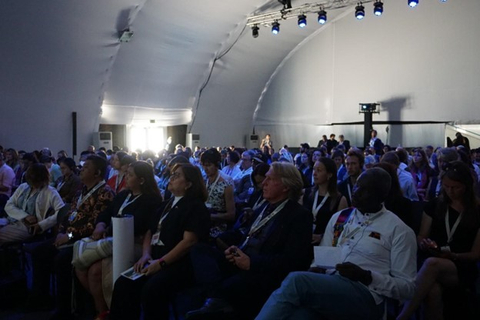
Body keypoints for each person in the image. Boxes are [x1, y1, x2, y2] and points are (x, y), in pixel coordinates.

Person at [256, 167, 417, 320]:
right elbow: (324, 256)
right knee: (299, 316)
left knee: (296, 281)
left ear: (381, 195)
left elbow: (408, 289)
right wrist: (315, 267)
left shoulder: (399, 230)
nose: (356, 193)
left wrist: (367, 276)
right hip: (331, 286)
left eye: (364, 190)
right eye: (356, 187)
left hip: (367, 295)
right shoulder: (340, 218)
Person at [186, 162, 313, 320]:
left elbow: (292, 261)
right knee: (199, 249)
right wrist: (231, 247)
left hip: (260, 270)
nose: (263, 183)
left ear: (286, 186)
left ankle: (215, 298)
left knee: (219, 286)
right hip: (240, 258)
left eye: (270, 179)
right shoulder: (264, 207)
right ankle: (216, 297)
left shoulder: (299, 216)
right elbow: (246, 235)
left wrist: (251, 262)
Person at [109, 163, 210, 320]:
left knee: (152, 289)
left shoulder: (195, 207)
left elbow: (189, 242)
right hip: (155, 257)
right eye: (171, 174)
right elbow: (150, 231)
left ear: (189, 184)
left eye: (177, 176)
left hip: (179, 263)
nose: (171, 178)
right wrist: (145, 255)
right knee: (123, 283)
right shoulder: (166, 204)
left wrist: (161, 262)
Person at [28, 155, 114, 319]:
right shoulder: (81, 190)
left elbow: (95, 223)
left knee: (62, 259)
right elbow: (67, 215)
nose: (81, 169)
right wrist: (61, 231)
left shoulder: (105, 193)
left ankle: (67, 309)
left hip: (85, 239)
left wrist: (68, 235)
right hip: (67, 235)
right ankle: (41, 298)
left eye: (86, 167)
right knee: (40, 251)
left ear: (97, 172)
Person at [75, 161, 163, 320]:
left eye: (130, 175)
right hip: (113, 239)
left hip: (134, 243)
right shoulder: (124, 195)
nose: (125, 178)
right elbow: (106, 213)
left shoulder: (151, 200)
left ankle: (108, 311)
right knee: (81, 267)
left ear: (142, 180)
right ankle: (102, 309)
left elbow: (141, 225)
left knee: (95, 271)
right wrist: (101, 225)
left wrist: (111, 229)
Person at [397, 161, 480, 320]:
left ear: (466, 186)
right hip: (433, 256)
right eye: (447, 186)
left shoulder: (476, 210)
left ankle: (402, 316)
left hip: (461, 265)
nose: (450, 191)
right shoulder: (435, 205)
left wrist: (453, 255)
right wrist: (424, 243)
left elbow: (475, 254)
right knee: (433, 289)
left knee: (431, 264)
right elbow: (422, 235)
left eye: (456, 187)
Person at [1, 163, 64, 245]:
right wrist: (25, 216)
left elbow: (61, 212)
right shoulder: (23, 187)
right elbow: (8, 205)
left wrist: (42, 225)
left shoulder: (50, 192)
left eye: (36, 182)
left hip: (28, 227)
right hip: (11, 220)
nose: (33, 184)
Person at [302, 157, 348, 245]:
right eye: (314, 169)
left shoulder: (340, 199)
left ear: (329, 174)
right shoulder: (306, 193)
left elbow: (341, 231)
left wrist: (322, 236)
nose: (314, 173)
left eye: (319, 170)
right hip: (304, 243)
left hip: (325, 245)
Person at [201, 148, 235, 238]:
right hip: (204, 221)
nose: (205, 168)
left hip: (218, 226)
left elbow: (231, 215)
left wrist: (212, 216)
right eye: (203, 165)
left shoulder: (226, 185)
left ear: (217, 165)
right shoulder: (204, 181)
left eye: (208, 165)